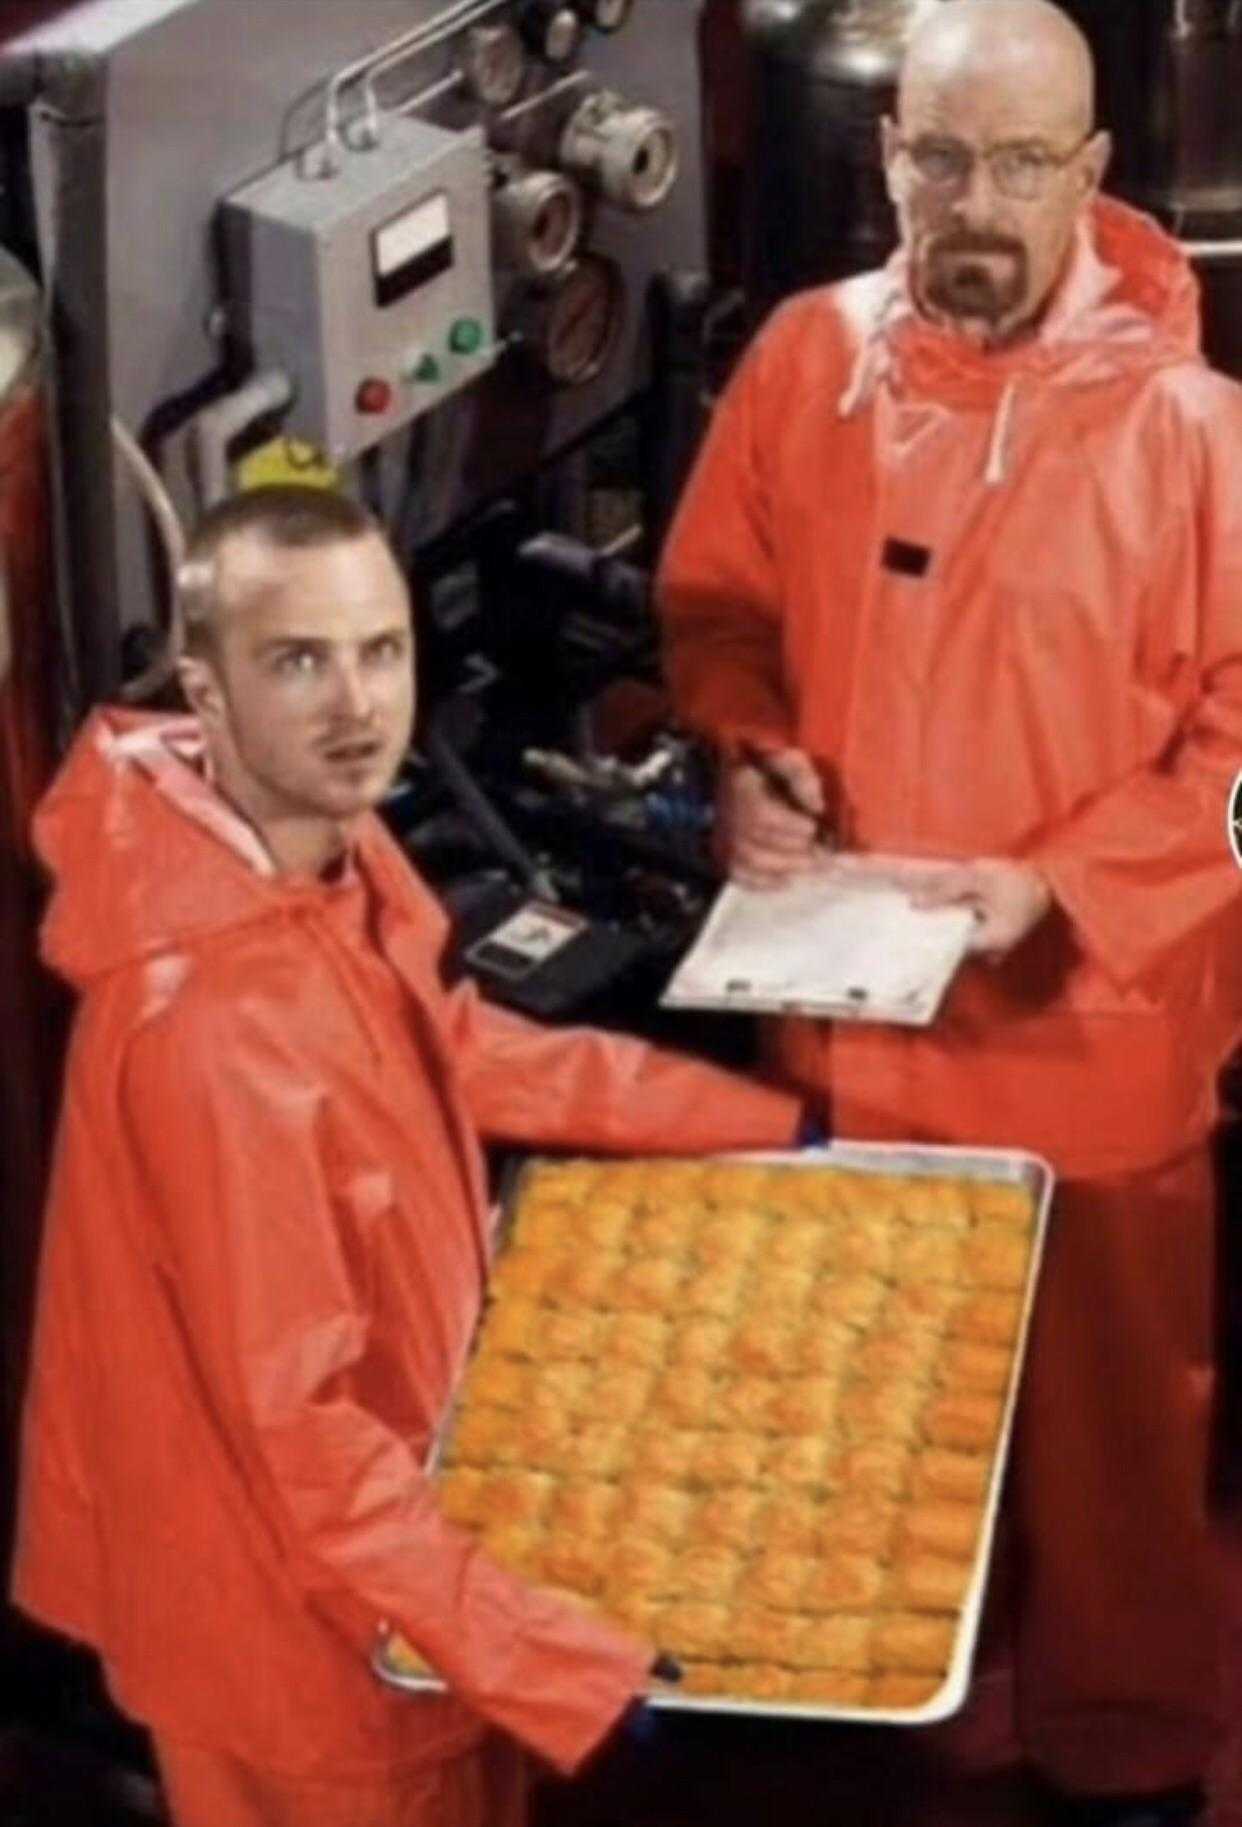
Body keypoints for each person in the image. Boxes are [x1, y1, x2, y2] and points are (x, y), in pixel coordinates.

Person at [658, 2, 1242, 1822]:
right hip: (850, 1034)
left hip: (1086, 1051)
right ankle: (920, 1718)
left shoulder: (1194, 437)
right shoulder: (801, 364)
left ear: (1087, 174)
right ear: (883, 156)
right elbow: (717, 612)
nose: (967, 203)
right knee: (880, 1429)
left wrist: (1054, 885)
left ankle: (1130, 1752)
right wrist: (742, 754)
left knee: (1110, 1452)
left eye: (1010, 163)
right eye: (934, 158)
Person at [12, 485, 803, 1827]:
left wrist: (770, 1127)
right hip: (295, 1638)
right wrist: (555, 1667)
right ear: (203, 692)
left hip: (404, 1537)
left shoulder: (317, 851)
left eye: (380, 652)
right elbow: (301, 1442)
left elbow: (453, 1047)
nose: (355, 706)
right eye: (298, 662)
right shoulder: (208, 1038)